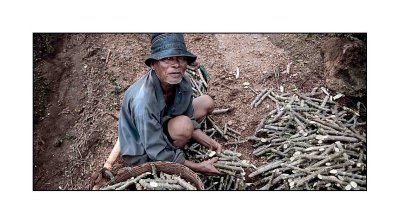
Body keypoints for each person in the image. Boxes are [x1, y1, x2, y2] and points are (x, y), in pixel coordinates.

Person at [103, 33, 222, 176]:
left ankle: (177, 139)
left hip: (164, 122)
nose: (176, 65)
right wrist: (197, 167)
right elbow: (157, 152)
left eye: (181, 58)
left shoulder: (183, 81)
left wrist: (209, 142)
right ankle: (174, 154)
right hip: (143, 148)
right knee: (184, 127)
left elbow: (188, 115)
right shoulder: (143, 101)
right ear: (153, 64)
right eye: (167, 59)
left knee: (206, 102)